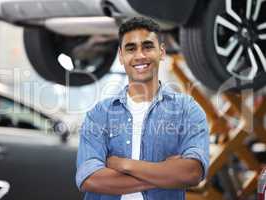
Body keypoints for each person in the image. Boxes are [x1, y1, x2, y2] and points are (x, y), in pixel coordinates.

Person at [76, 17, 209, 200]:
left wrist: (123, 164)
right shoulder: (99, 114)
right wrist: (167, 174)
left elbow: (192, 173)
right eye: (131, 49)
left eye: (148, 47)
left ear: (161, 52)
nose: (140, 55)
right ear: (121, 56)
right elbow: (90, 179)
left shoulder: (187, 110)